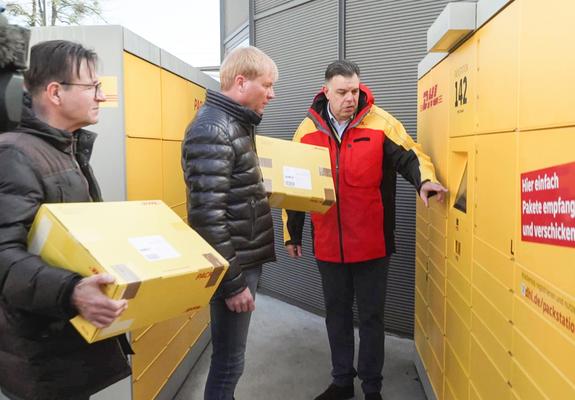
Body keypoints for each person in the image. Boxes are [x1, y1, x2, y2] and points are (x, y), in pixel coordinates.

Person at [284, 60, 447, 400]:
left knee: (372, 319)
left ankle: (372, 388)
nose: (350, 98)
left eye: (355, 91)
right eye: (342, 92)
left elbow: (410, 156)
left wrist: (425, 181)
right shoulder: (306, 131)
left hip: (373, 245)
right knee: (337, 316)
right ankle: (342, 382)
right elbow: (293, 185)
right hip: (329, 244)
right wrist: (293, 233)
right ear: (325, 91)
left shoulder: (381, 123)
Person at [0, 40, 131, 400]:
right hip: (40, 350)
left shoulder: (64, 149)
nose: (101, 97)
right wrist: (71, 291)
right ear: (55, 93)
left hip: (63, 344)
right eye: (93, 87)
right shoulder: (15, 154)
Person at [181, 46, 278, 400]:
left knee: (230, 359)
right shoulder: (213, 129)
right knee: (228, 362)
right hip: (233, 266)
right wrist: (233, 283)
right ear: (241, 81)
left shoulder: (233, 124)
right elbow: (207, 218)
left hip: (240, 259)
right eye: (267, 85)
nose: (272, 94)